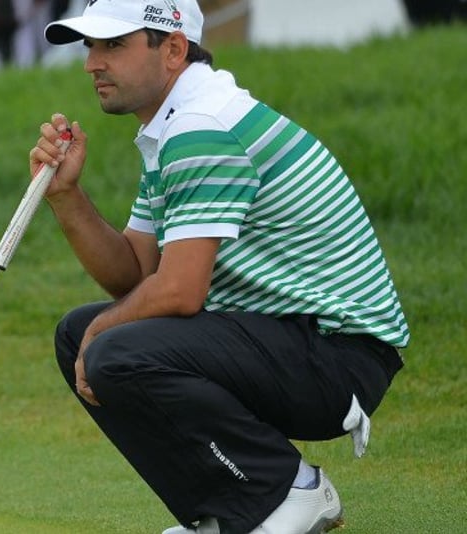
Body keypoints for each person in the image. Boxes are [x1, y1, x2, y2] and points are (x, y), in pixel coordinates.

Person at [27, 1, 409, 532]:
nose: (92, 62)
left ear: (174, 49)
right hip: (294, 339)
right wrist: (66, 196)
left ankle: (288, 490)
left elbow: (180, 291)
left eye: (113, 45)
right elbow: (135, 274)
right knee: (78, 336)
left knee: (108, 346)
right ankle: (223, 514)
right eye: (90, 45)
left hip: (339, 354)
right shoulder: (177, 123)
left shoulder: (203, 125)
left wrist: (102, 331)